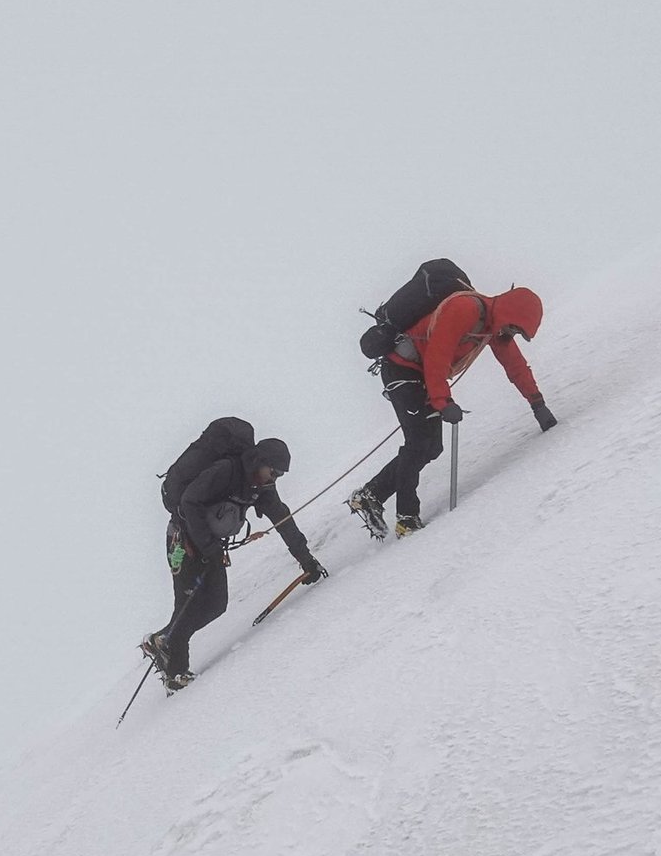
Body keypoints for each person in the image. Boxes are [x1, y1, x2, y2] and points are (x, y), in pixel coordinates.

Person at [348, 285, 555, 538]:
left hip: (420, 375)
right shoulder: (465, 309)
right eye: (514, 327)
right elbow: (437, 355)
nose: (510, 333)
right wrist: (443, 401)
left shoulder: (493, 328)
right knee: (418, 442)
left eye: (516, 331)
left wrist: (537, 404)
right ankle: (407, 518)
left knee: (432, 446)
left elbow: (516, 366)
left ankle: (371, 495)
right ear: (509, 313)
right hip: (401, 370)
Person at [142, 433, 325, 690]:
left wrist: (306, 560)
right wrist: (208, 546)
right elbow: (189, 501)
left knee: (216, 604)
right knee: (187, 602)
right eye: (272, 471)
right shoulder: (226, 471)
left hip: (210, 547)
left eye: (278, 476)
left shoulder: (261, 488)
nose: (273, 479)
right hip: (181, 543)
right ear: (259, 461)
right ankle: (176, 673)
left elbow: (283, 521)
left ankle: (163, 640)